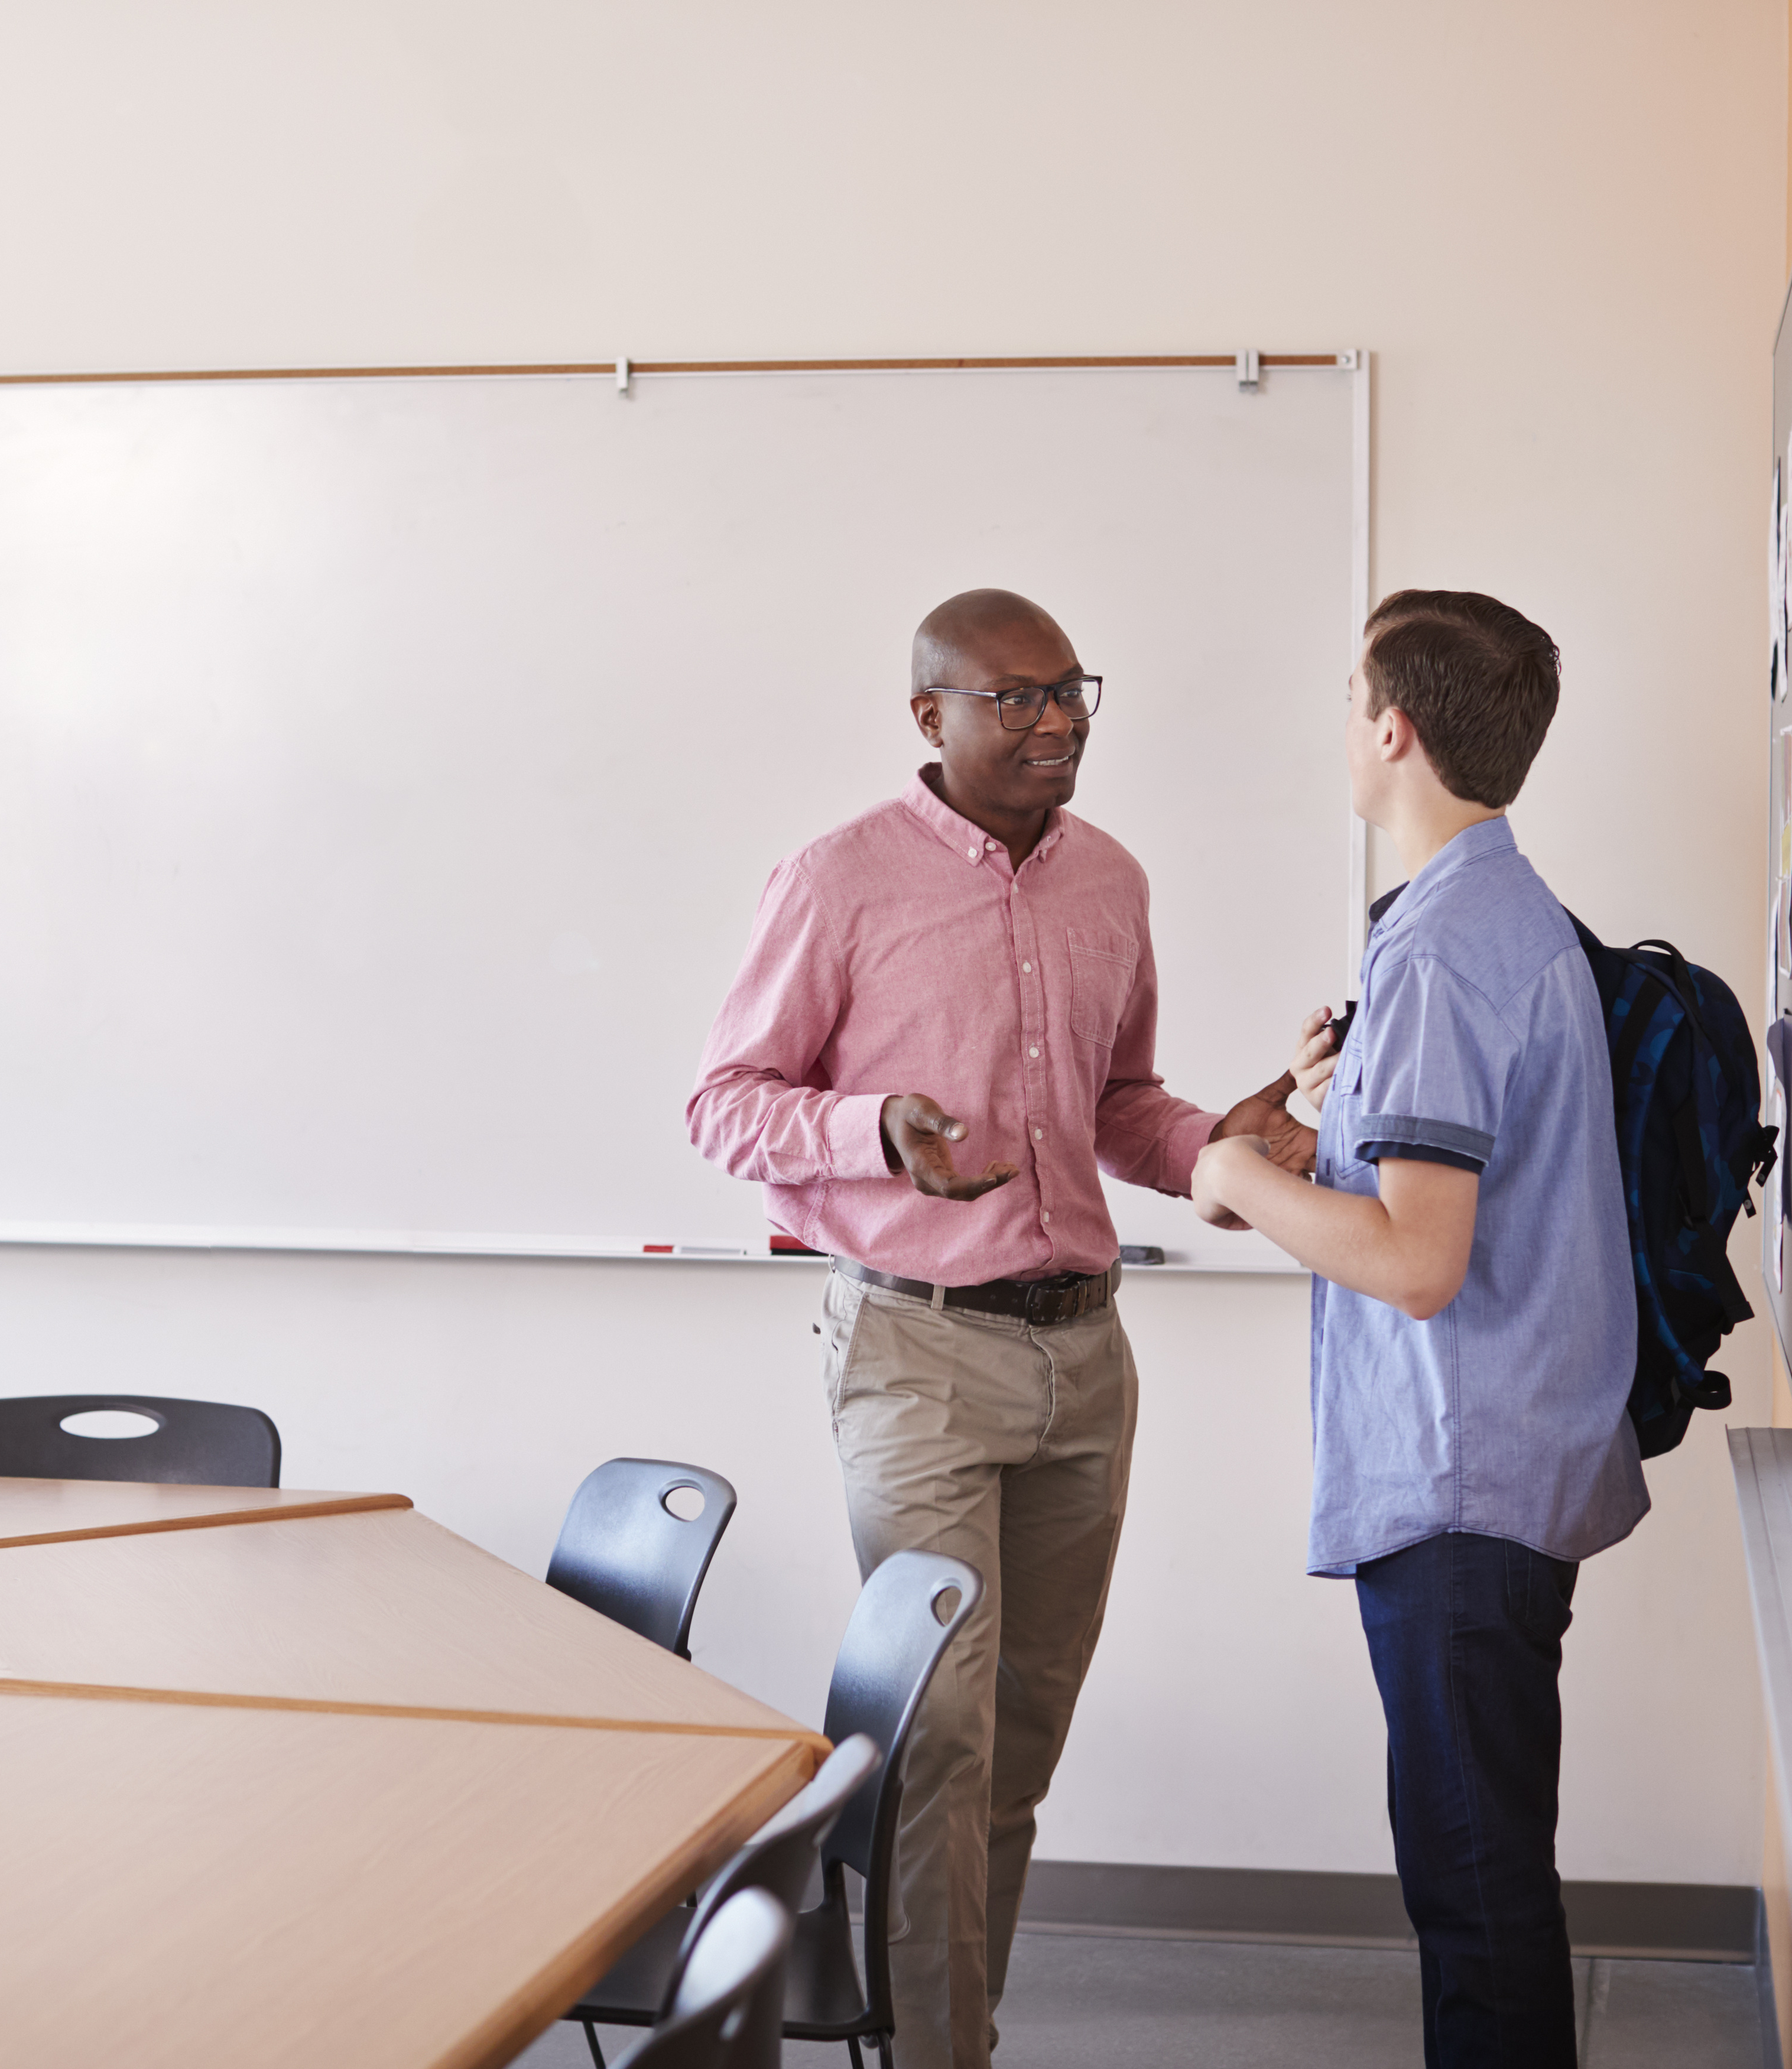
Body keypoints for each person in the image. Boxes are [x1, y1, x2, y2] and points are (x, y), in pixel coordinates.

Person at [687, 588, 1317, 2069]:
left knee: (1018, 1747)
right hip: (913, 1351)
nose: (1059, 719)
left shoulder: (1110, 879)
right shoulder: (840, 879)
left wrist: (1220, 1146)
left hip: (1083, 1358)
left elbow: (1115, 1103)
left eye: (1072, 690)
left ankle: (952, 2028)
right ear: (932, 716)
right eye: (1016, 697)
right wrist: (873, 1130)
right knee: (940, 1745)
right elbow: (724, 1101)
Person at [1190, 589, 1644, 2069]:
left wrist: (1237, 1174)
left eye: (1347, 700)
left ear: (1391, 728)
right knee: (1485, 1864)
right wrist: (1318, 1124)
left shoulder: (1444, 950)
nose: (1341, 726)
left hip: (1463, 1486)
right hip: (1509, 1464)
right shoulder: (1492, 915)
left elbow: (1417, 1262)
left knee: (1472, 1888)